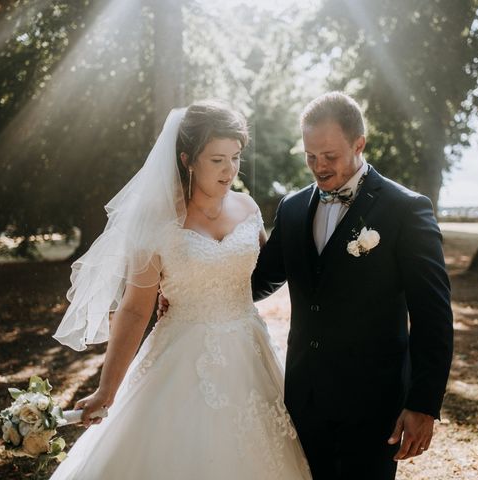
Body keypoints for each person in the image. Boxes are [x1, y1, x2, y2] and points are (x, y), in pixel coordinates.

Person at [50, 101, 311, 479]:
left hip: (251, 352)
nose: (230, 170)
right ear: (188, 159)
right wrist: (106, 391)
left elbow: (262, 273)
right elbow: (135, 310)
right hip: (182, 356)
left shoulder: (248, 207)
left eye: (236, 157)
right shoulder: (156, 222)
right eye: (217, 160)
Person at [250, 92, 454, 479]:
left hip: (374, 406)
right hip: (303, 399)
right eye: (310, 156)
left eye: (329, 156)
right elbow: (260, 282)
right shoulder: (292, 209)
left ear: (359, 144)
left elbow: (433, 315)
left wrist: (423, 405)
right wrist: (190, 289)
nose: (319, 167)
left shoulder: (405, 209)